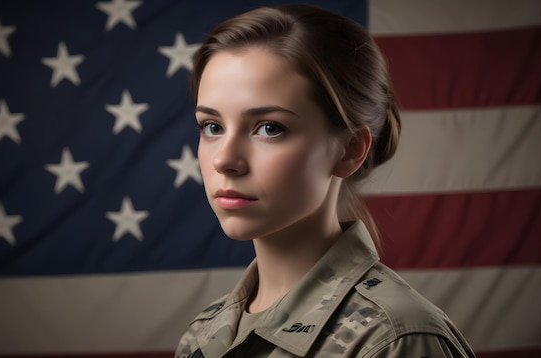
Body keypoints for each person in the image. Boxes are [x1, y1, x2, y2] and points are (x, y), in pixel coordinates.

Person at [176, 4, 475, 357]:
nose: (225, 160)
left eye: (270, 128)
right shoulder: (202, 333)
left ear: (349, 150)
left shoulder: (392, 340)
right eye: (212, 127)